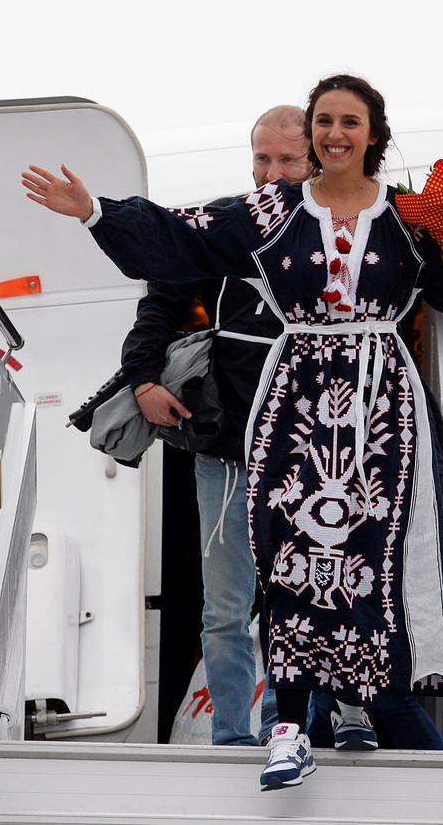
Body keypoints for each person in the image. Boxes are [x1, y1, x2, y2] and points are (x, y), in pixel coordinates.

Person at [22, 73, 443, 791]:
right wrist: (96, 214)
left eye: (350, 121)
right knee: (291, 559)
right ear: (313, 129)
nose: (336, 133)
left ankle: (372, 715)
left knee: (373, 566)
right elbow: (184, 238)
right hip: (295, 401)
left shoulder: (410, 216)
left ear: (373, 133)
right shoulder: (271, 212)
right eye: (325, 119)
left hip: (380, 409)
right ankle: (290, 731)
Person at [121, 105, 310, 747]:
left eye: (288, 160)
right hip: (226, 454)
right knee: (225, 609)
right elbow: (158, 304)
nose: (272, 173)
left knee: (304, 605)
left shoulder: (340, 234)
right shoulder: (227, 227)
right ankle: (231, 738)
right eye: (262, 158)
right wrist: (144, 380)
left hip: (313, 459)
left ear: (318, 161)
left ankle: (293, 729)